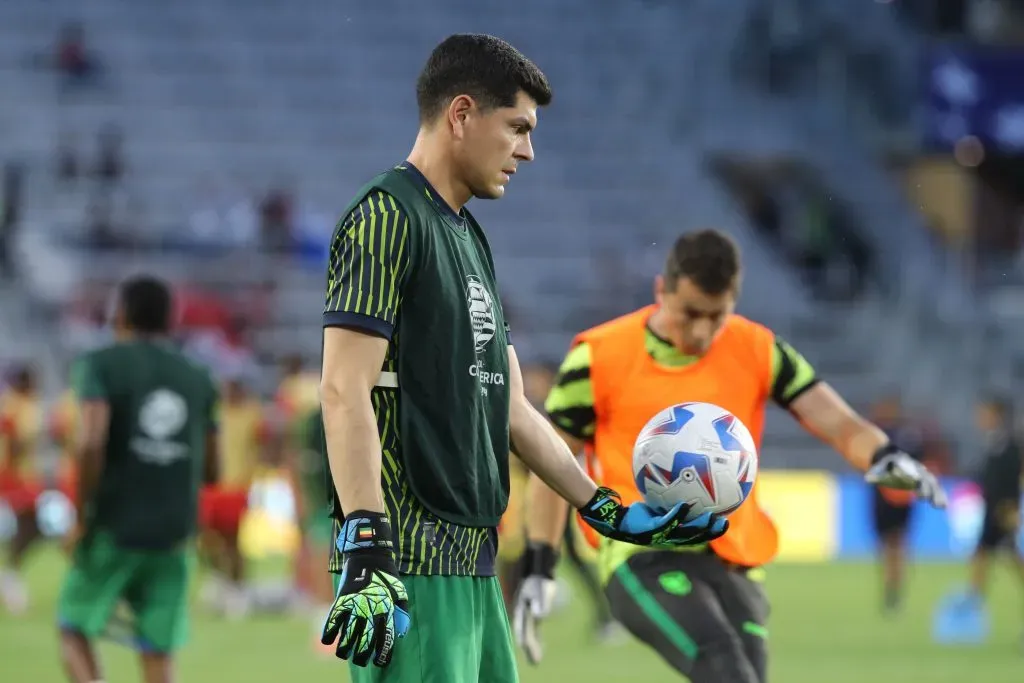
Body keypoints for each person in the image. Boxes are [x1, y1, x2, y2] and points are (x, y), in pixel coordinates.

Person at [318, 33, 727, 683]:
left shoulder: (469, 238)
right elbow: (344, 390)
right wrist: (367, 542)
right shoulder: (386, 217)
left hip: (474, 565)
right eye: (517, 128)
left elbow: (510, 406)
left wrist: (606, 509)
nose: (528, 151)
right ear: (461, 114)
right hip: (410, 566)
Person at [514, 230, 947, 683]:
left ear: (733, 303)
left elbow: (837, 421)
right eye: (690, 313)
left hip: (733, 553)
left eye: (716, 316)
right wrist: (540, 563)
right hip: (642, 553)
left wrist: (882, 454)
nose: (702, 331)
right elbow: (552, 463)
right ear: (661, 290)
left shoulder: (759, 348)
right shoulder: (598, 357)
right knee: (724, 667)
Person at [56, 275, 220, 683]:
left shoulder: (101, 364)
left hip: (115, 524)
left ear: (122, 314)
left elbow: (90, 441)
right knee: (157, 650)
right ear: (171, 319)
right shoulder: (197, 375)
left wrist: (81, 517)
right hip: (175, 532)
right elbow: (213, 469)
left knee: (74, 629)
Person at [198, 375, 266, 619]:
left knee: (233, 541)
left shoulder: (251, 414)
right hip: (212, 486)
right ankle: (220, 578)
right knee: (203, 540)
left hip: (237, 487)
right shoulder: (214, 413)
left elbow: (260, 446)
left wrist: (256, 478)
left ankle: (237, 588)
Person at [868, 393, 925, 614]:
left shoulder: (906, 435)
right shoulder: (876, 434)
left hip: (900, 501)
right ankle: (889, 589)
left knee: (897, 545)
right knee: (885, 548)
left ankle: (895, 590)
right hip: (881, 499)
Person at [965, 393, 1024, 608]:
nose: (981, 418)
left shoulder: (1008, 443)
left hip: (1003, 509)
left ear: (997, 415)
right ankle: (974, 597)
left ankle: (974, 597)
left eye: (985, 413)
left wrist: (1012, 506)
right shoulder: (994, 441)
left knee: (1009, 554)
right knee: (983, 552)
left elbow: (1013, 475)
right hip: (992, 507)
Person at [0, 364, 44, 615]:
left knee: (31, 527)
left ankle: (10, 573)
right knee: (31, 526)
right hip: (15, 477)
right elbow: (16, 443)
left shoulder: (17, 405)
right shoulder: (17, 407)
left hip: (20, 475)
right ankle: (10, 574)